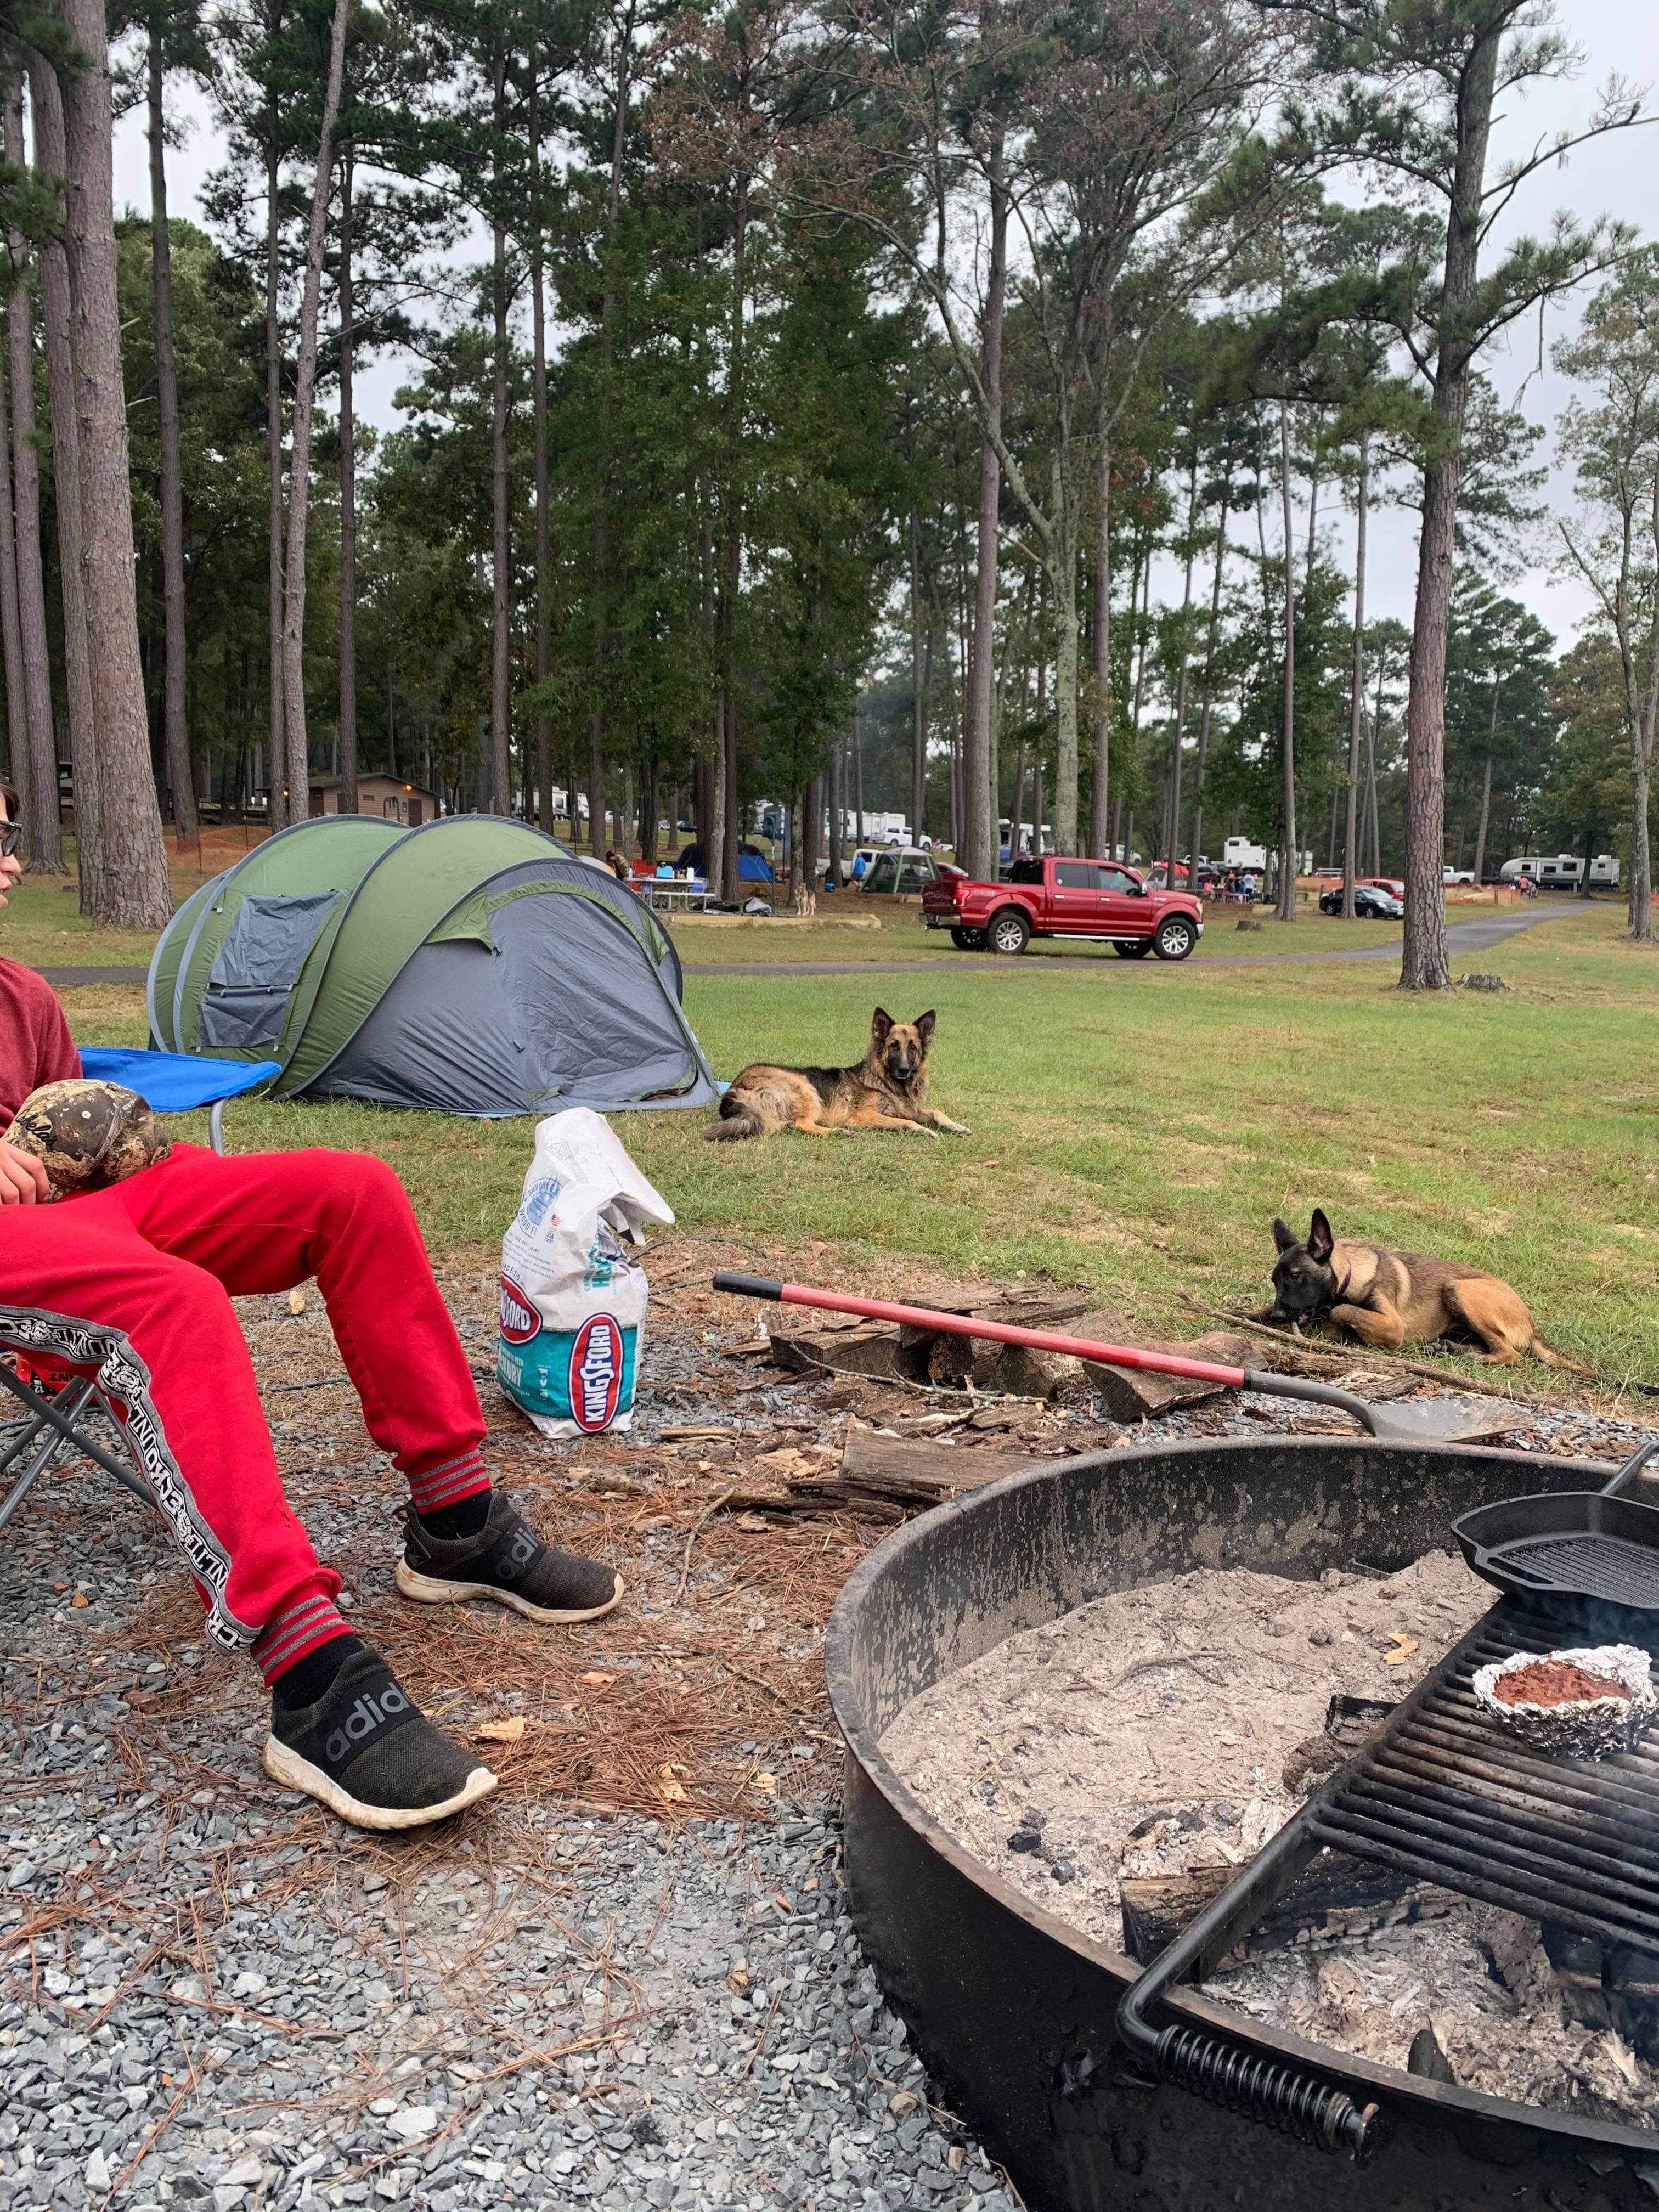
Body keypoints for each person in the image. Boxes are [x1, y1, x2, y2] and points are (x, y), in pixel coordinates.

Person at [0, 789, 621, 1833]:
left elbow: (59, 1128)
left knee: (352, 1189)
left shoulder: (23, 995)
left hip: (79, 1210)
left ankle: (456, 1520)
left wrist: (98, 1139)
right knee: (175, 1300)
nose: (12, 865)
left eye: (9, 838)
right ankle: (307, 1671)